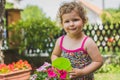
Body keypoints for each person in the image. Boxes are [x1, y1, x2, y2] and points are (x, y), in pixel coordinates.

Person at [51, 1, 103, 80]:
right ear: (62, 24)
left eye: (75, 20)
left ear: (84, 21)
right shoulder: (60, 41)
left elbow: (98, 62)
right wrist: (57, 65)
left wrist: (82, 72)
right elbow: (55, 55)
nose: (71, 24)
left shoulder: (87, 42)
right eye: (67, 21)